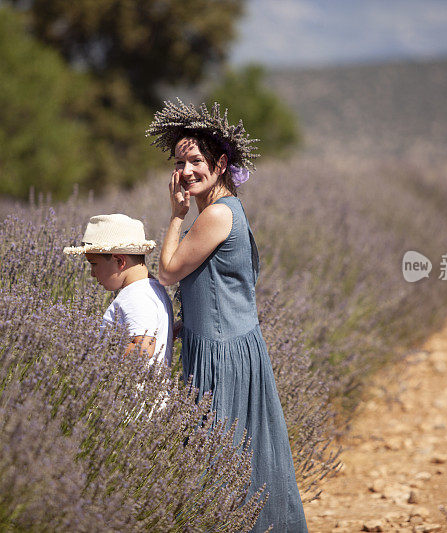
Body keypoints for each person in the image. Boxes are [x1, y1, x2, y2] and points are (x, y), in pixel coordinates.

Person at [147, 100, 308, 532]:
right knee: (244, 460)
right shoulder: (226, 210)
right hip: (228, 346)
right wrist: (184, 325)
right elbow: (221, 286)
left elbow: (166, 271)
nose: (186, 171)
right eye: (180, 162)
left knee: (220, 463)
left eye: (196, 160)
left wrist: (175, 217)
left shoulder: (215, 215)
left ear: (220, 164)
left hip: (221, 356)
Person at [63, 214, 173, 367]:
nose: (92, 273)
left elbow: (143, 348)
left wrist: (98, 354)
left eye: (94, 264)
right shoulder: (152, 289)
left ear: (119, 261)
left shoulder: (136, 296)